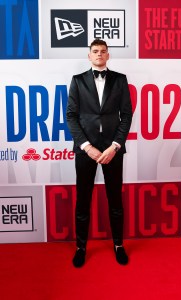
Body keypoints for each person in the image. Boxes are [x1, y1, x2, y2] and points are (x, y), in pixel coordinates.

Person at [67, 39, 132, 267]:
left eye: (103, 51)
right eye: (95, 51)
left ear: (108, 55)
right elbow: (71, 117)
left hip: (112, 150)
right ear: (89, 56)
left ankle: (118, 245)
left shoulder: (120, 80)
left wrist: (115, 146)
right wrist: (87, 146)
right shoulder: (77, 81)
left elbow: (127, 115)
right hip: (86, 150)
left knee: (115, 200)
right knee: (83, 200)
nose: (99, 54)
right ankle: (80, 247)